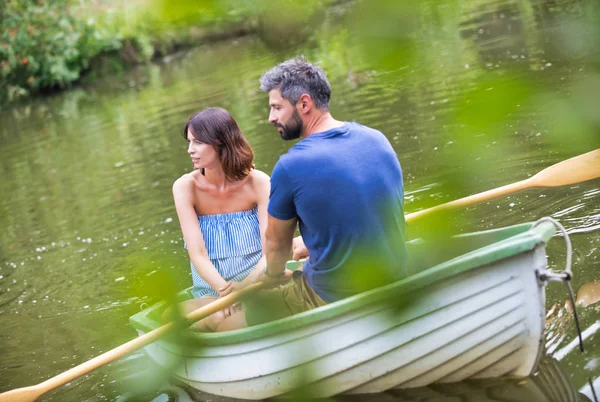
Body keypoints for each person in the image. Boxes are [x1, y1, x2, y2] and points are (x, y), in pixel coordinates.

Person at [210, 58, 408, 332]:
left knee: (215, 316)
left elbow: (277, 247)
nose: (271, 118)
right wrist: (315, 244)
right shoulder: (376, 138)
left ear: (304, 104)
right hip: (398, 281)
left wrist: (274, 276)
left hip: (331, 296)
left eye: (277, 107)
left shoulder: (292, 166)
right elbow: (368, 212)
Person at [166, 107, 270, 331]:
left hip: (257, 286)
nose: (190, 150)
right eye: (189, 142)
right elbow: (198, 255)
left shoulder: (259, 183)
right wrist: (227, 293)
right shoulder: (185, 187)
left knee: (235, 319)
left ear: (221, 143)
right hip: (213, 295)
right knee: (170, 315)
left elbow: (271, 249)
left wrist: (244, 287)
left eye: (198, 142)